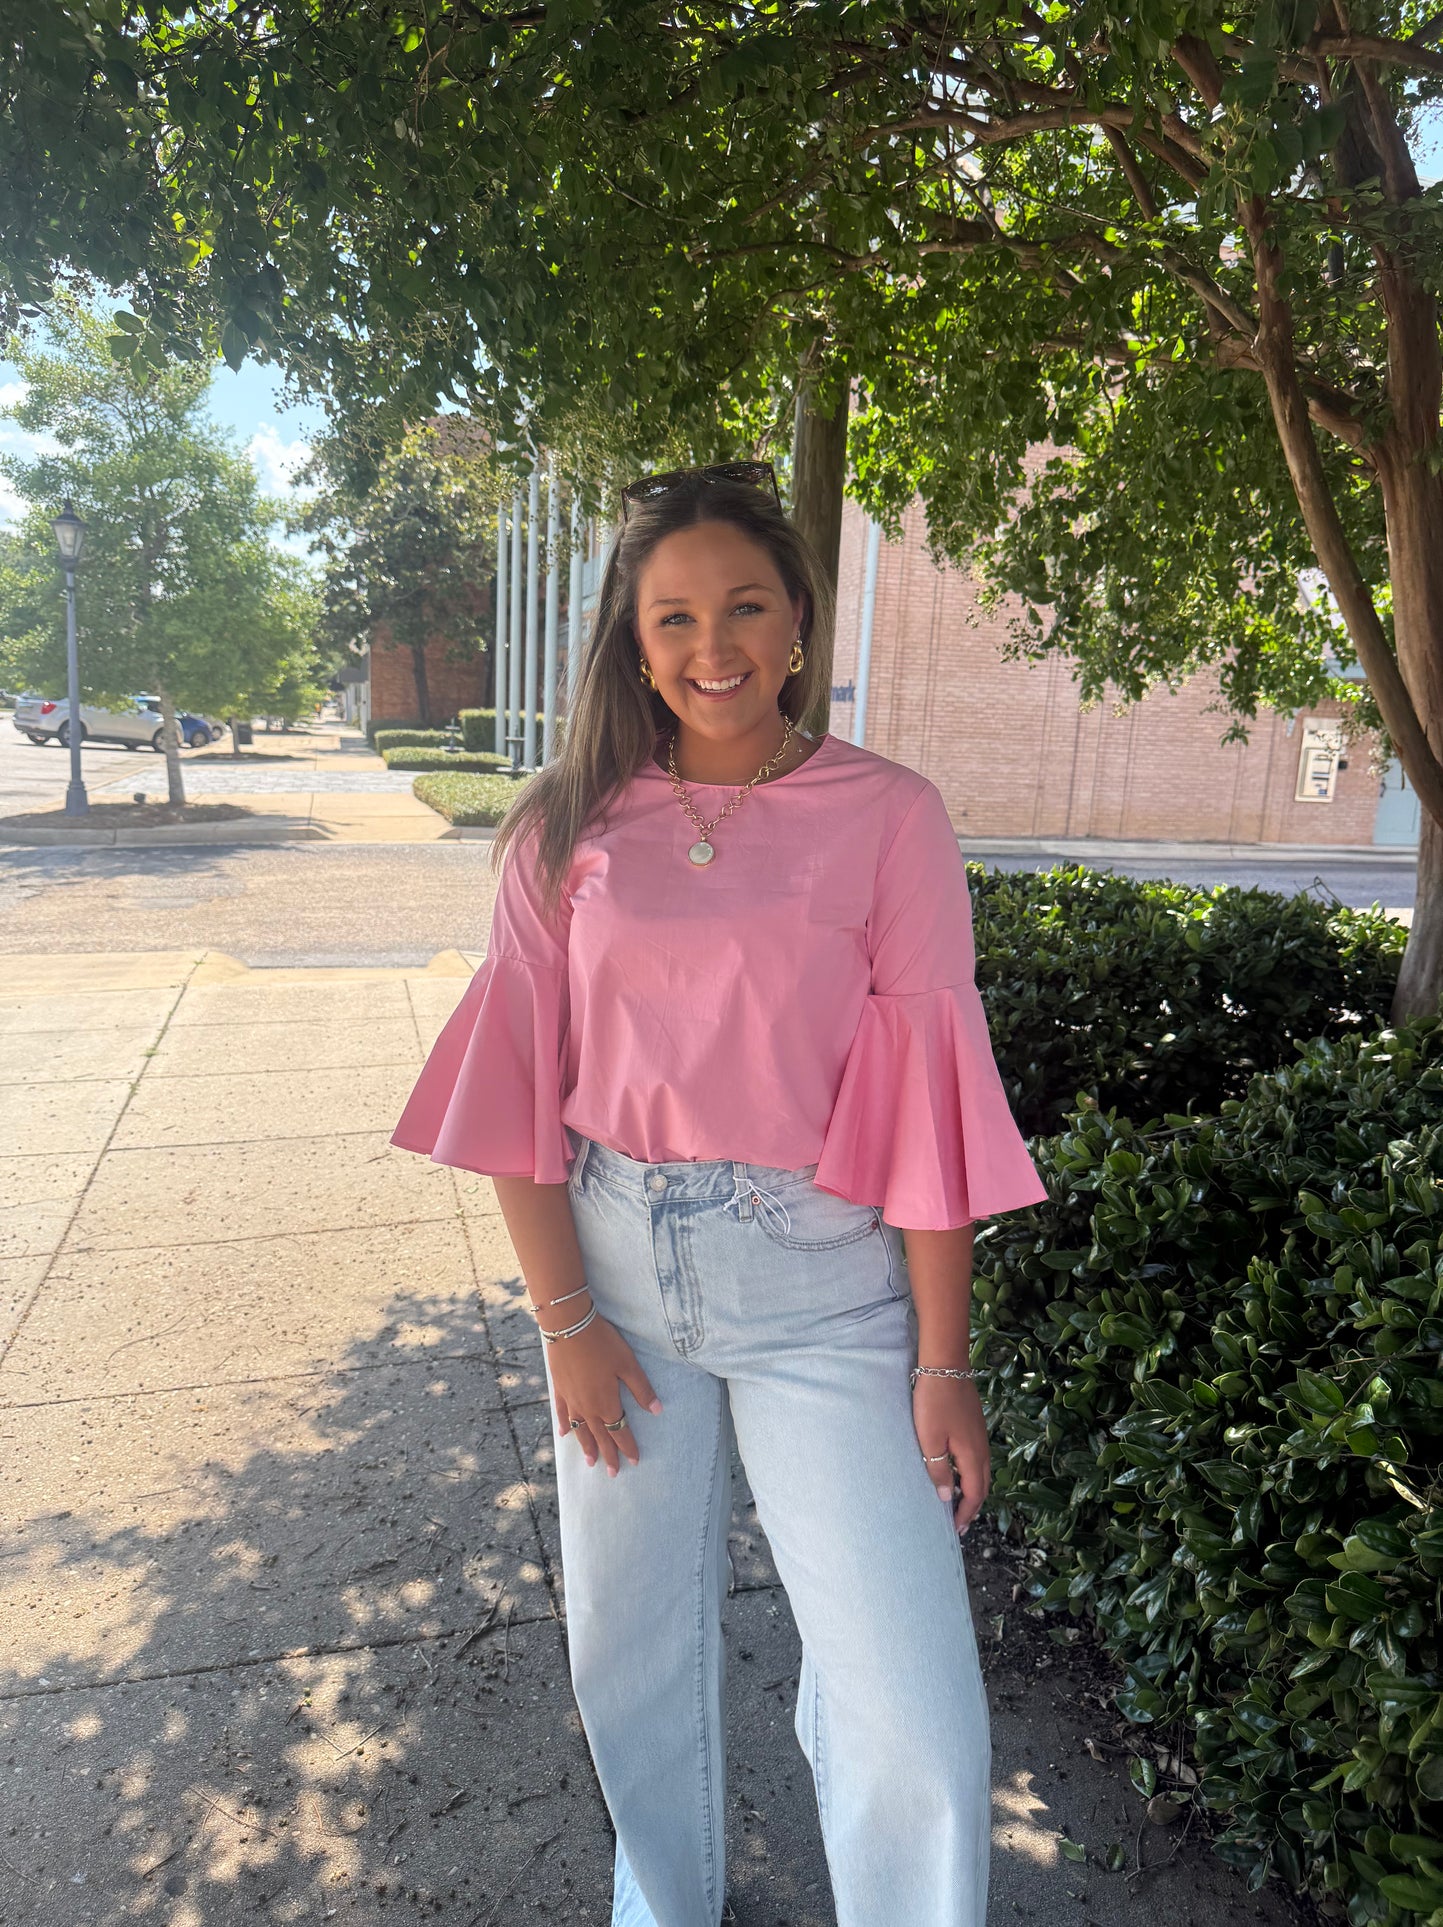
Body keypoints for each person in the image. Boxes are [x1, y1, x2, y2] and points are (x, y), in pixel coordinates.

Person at [390, 462, 1048, 1927]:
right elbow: (519, 1101)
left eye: (745, 605)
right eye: (673, 616)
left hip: (824, 1279)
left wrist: (944, 1363)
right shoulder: (561, 831)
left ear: (799, 621)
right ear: (634, 640)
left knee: (909, 1698)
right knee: (629, 1648)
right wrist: (564, 1320)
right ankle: (663, 1897)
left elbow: (926, 1106)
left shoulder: (887, 816)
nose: (713, 645)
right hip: (617, 1273)